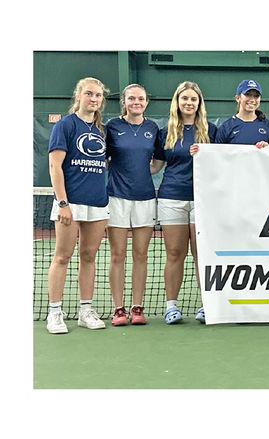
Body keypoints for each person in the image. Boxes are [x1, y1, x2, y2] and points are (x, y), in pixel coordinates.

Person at [46, 77, 110, 334]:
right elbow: (55, 166)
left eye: (98, 95)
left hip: (97, 204)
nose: (93, 99)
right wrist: (63, 203)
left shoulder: (100, 130)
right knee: (62, 257)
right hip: (70, 204)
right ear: (79, 96)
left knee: (89, 257)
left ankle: (85, 310)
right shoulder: (65, 125)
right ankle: (54, 313)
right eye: (89, 94)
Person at [153, 81, 217, 324]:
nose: (189, 103)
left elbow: (221, 163)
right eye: (185, 99)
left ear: (199, 103)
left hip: (202, 199)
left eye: (193, 99)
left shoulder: (211, 130)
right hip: (171, 198)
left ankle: (206, 305)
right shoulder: (165, 132)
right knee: (174, 253)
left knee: (201, 254)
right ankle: (171, 307)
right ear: (177, 102)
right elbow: (155, 166)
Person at [104, 84, 160, 326]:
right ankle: (119, 309)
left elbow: (157, 163)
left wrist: (141, 172)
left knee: (141, 255)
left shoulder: (153, 128)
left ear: (146, 102)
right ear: (124, 102)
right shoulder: (111, 127)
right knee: (117, 255)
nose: (136, 102)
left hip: (145, 198)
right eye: (131, 98)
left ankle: (137, 307)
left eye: (141, 99)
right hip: (116, 197)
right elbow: (103, 158)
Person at [214, 79, 269, 148]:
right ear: (238, 98)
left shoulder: (268, 125)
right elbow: (218, 155)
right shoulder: (226, 127)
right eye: (248, 94)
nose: (252, 100)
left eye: (256, 96)